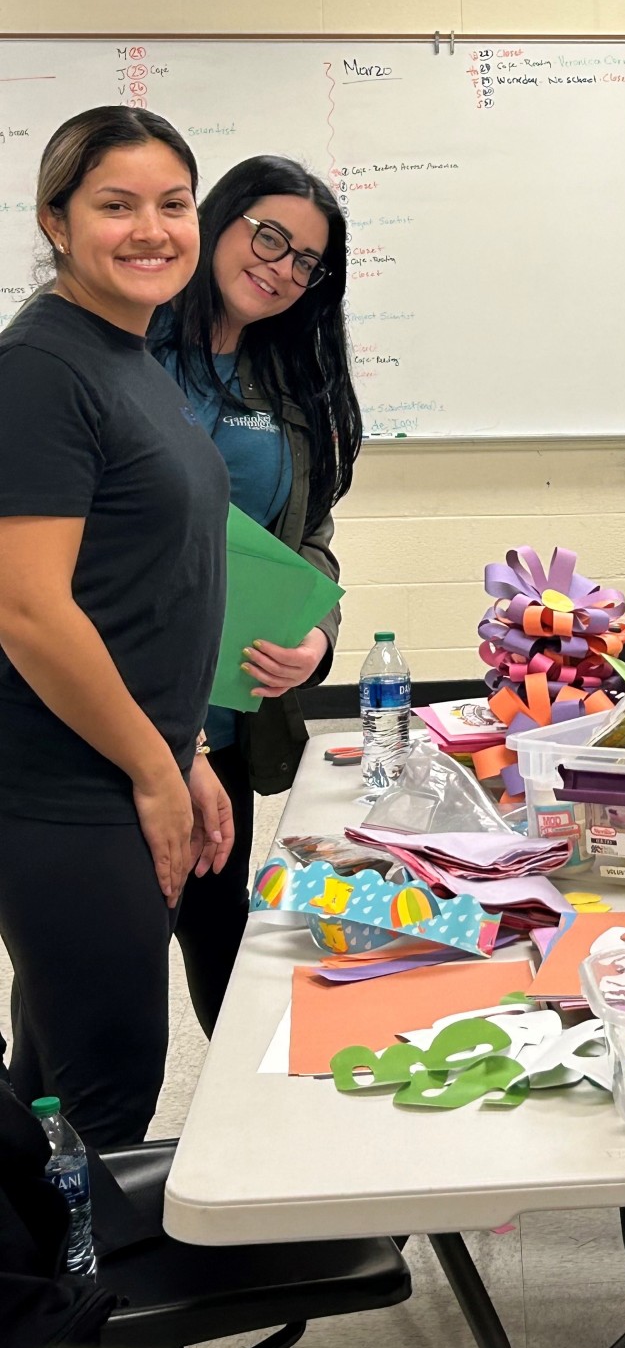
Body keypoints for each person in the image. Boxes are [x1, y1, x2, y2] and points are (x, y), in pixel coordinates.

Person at [0, 107, 232, 1149]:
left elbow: (137, 588)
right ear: (56, 220)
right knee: (106, 1094)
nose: (152, 230)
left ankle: (38, 1292)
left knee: (50, 1083)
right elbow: (27, 609)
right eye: (116, 206)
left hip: (120, 763)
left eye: (173, 205)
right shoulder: (40, 372)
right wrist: (151, 770)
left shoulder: (125, 354)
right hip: (63, 790)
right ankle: (85, 1310)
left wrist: (181, 751)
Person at [154, 156, 361, 1039]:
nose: (281, 268)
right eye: (268, 236)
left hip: (230, 716)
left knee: (221, 946)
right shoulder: (125, 355)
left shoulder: (290, 386)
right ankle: (55, 1174)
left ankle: (231, 1155)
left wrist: (315, 631)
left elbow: (309, 541)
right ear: (218, 219)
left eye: (306, 260)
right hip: (115, 723)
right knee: (101, 979)